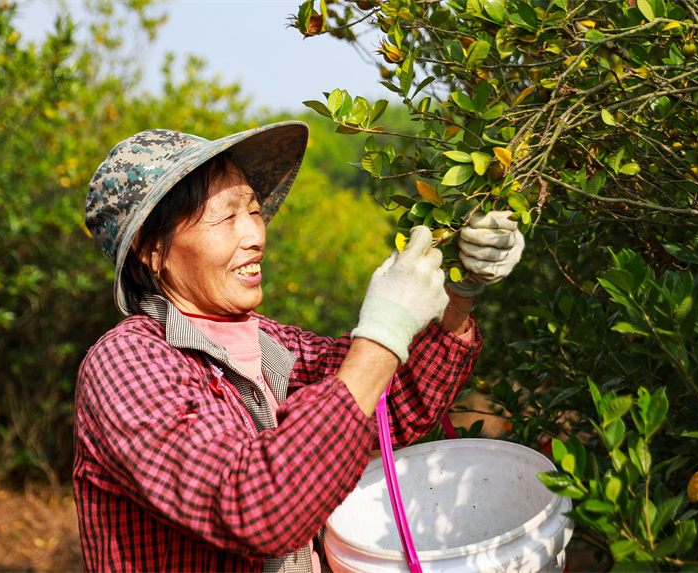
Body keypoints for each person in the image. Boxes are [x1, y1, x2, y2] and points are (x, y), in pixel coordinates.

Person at [74, 121, 524, 573]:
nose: (254, 235)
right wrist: (382, 335)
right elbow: (254, 506)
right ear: (152, 250)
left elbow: (393, 401)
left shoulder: (273, 343)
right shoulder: (127, 364)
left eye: (253, 211)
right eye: (227, 217)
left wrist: (459, 295)